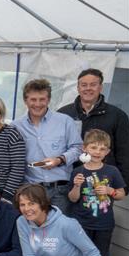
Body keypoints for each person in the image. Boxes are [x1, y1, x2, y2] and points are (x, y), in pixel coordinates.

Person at [13, 79, 82, 214]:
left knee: (57, 231)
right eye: (33, 99)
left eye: (42, 99)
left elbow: (78, 147)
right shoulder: (16, 126)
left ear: (49, 99)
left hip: (60, 191)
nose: (38, 104)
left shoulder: (65, 121)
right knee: (32, 230)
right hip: (31, 189)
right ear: (25, 101)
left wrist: (60, 159)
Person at [59, 68, 129, 190]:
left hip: (102, 182)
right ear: (78, 88)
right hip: (69, 180)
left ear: (100, 87)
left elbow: (125, 153)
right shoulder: (63, 114)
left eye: (93, 85)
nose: (88, 88)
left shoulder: (118, 116)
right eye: (84, 85)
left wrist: (124, 186)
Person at [15, 184, 106, 256]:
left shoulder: (66, 224)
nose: (26, 209)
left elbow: (91, 252)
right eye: (22, 204)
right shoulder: (22, 222)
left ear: (42, 203)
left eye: (31, 203)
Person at [67, 129, 127, 256]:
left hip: (104, 223)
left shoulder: (112, 171)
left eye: (102, 149)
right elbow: (72, 198)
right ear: (84, 148)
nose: (97, 152)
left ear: (107, 152)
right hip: (81, 222)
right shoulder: (78, 171)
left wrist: (110, 191)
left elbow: (121, 194)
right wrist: (77, 185)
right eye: (93, 147)